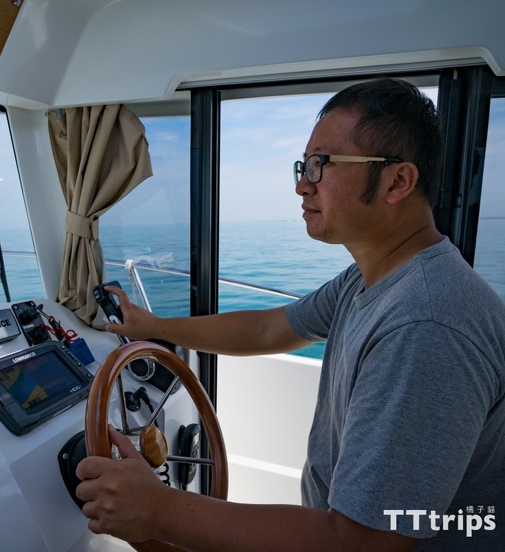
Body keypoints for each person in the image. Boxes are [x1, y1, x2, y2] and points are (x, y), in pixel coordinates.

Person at [75, 78, 505, 551]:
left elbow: (361, 544)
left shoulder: (425, 325)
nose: (302, 184)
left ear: (397, 181)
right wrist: (152, 328)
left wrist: (157, 511)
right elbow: (268, 328)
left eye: (321, 165)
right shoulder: (370, 277)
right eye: (303, 165)